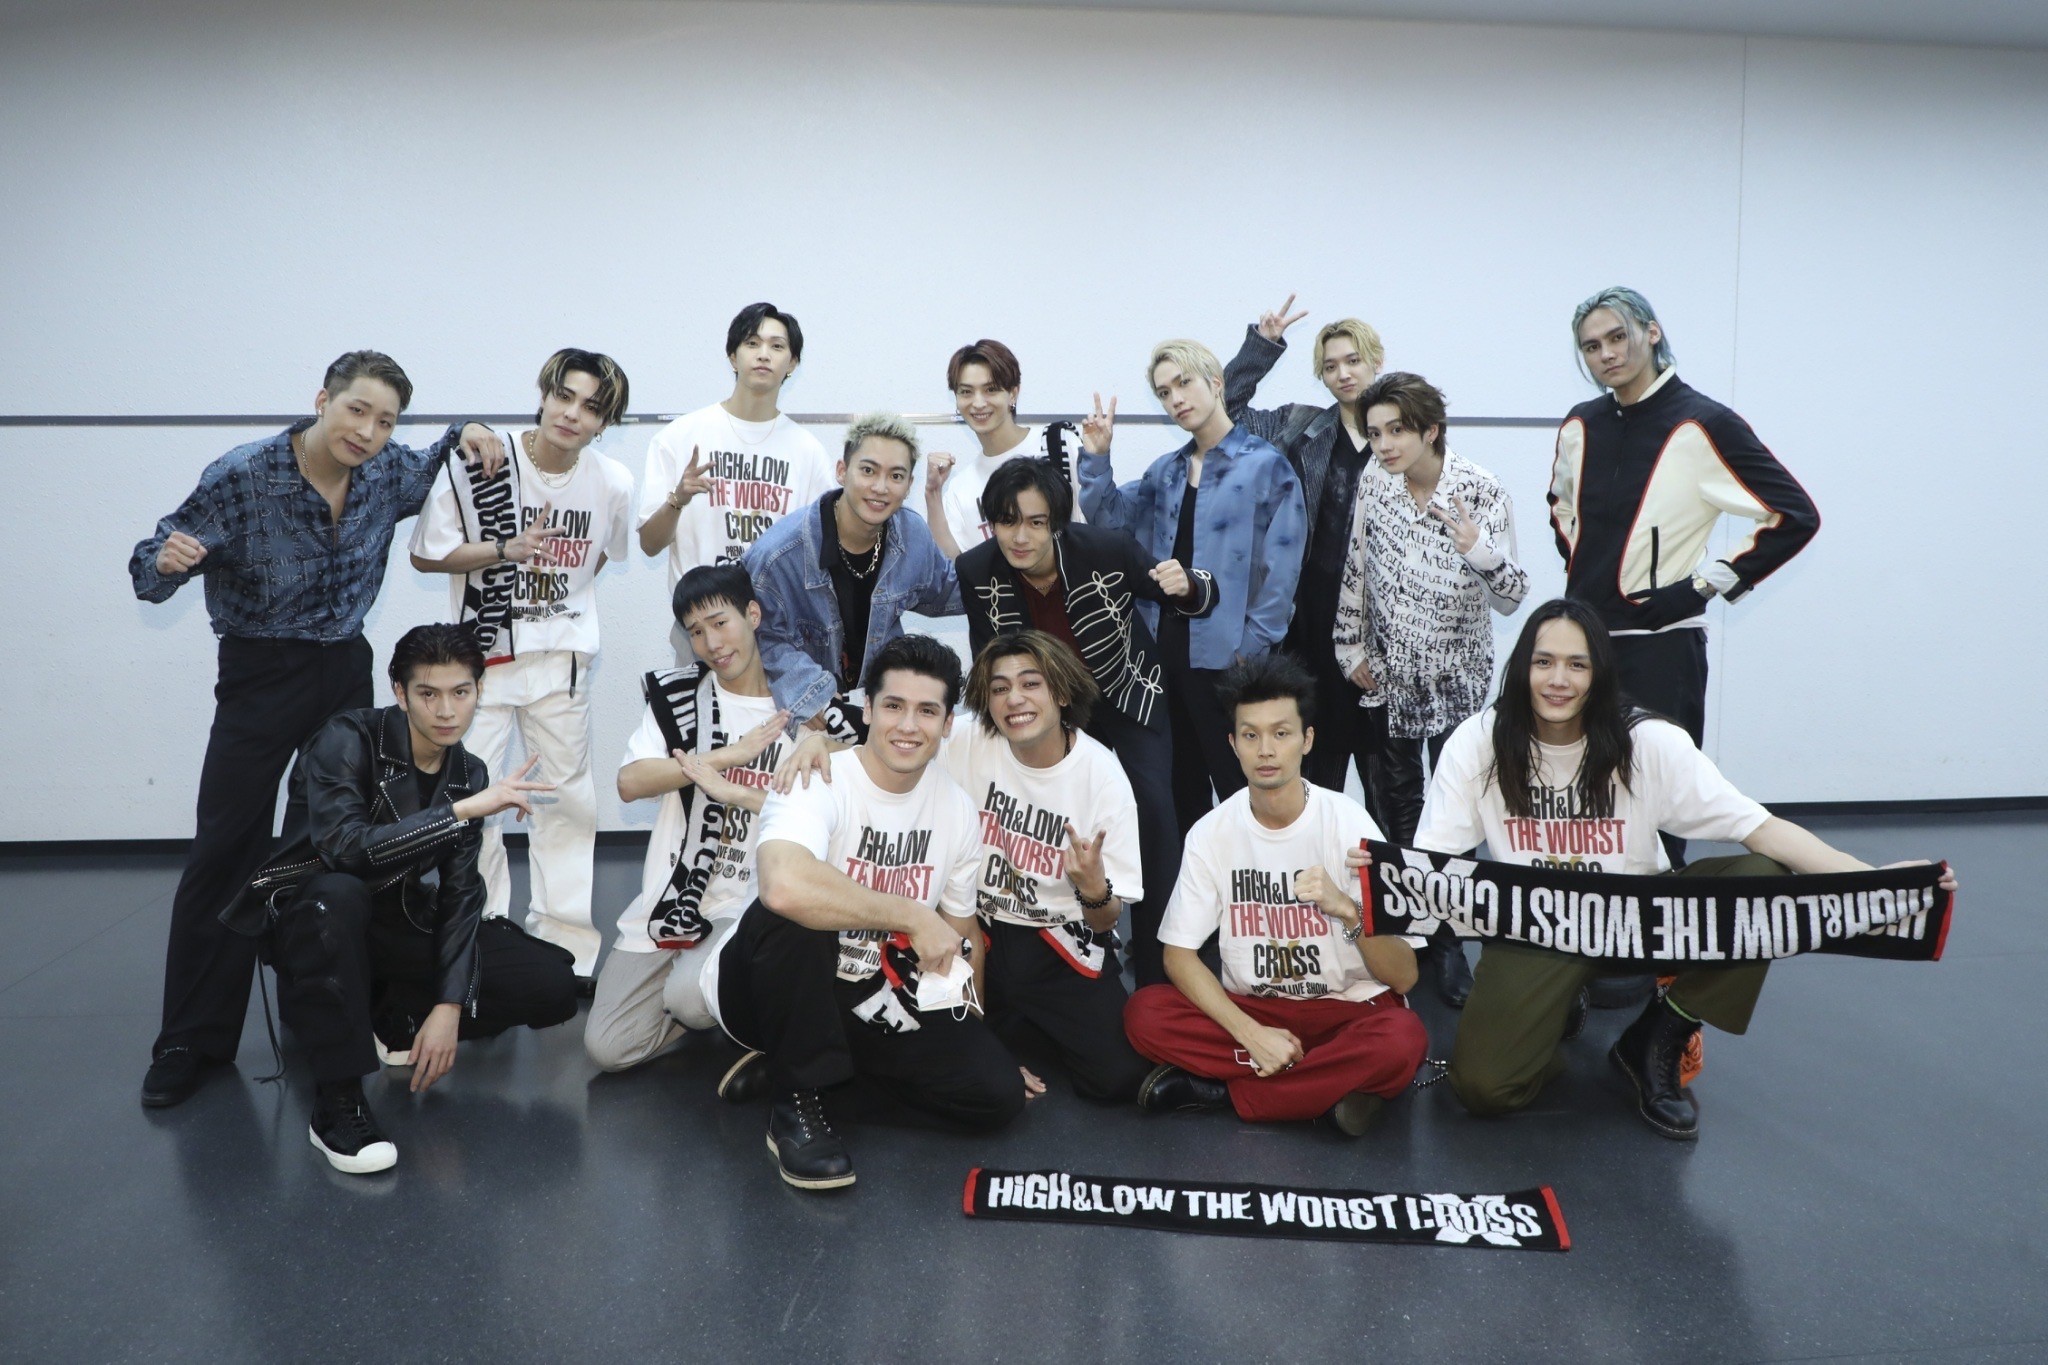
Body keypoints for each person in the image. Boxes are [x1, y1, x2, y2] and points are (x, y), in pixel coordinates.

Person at [1412, 598, 1957, 1140]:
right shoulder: (1479, 742)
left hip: (1641, 919)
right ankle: (1550, 1018)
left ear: (1600, 673)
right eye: (1543, 661)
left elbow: (1762, 829)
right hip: (1539, 926)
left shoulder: (1648, 741)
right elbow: (1431, 865)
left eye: (1577, 664)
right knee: (1483, 1089)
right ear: (1521, 667)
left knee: (1762, 880)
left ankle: (1658, 1035)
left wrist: (1878, 881)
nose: (1559, 680)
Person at [129, 350, 504, 1109]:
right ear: (323, 399)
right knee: (227, 849)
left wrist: (470, 427)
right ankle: (191, 1039)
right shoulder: (243, 474)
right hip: (260, 671)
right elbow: (149, 563)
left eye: (385, 421)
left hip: (344, 669)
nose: (367, 431)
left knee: (333, 848)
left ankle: (324, 1008)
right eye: (356, 410)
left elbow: (439, 455)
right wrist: (165, 562)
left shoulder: (387, 471)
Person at [219, 625, 578, 1173]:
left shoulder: (469, 772)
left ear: (478, 691)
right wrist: (458, 812)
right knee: (338, 896)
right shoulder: (347, 738)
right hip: (316, 917)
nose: (446, 711)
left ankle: (393, 1013)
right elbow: (345, 850)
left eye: (461, 692)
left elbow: (461, 894)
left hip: (397, 918)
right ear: (400, 692)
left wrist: (448, 1007)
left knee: (551, 985)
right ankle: (337, 1101)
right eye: (428, 694)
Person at [704, 635, 1027, 1190]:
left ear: (947, 724)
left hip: (870, 992)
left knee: (996, 1095)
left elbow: (961, 932)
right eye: (894, 706)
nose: (909, 726)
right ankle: (796, 1106)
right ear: (869, 709)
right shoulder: (816, 776)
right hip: (763, 986)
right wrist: (911, 915)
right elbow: (782, 886)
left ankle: (798, 1072)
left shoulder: (955, 810)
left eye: (927, 711)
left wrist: (978, 1038)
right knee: (799, 913)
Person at [1550, 287, 1820, 848]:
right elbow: (1560, 504)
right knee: (1579, 809)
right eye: (1591, 346)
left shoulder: (1704, 422)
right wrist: (1584, 567)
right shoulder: (1580, 424)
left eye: (1618, 336)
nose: (1606, 354)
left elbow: (1794, 515)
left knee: (1659, 810)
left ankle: (1660, 906)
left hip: (1661, 649)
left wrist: (1698, 588)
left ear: (1652, 333)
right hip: (1582, 647)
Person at [1123, 653, 1428, 1137]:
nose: (1266, 750)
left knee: (1403, 1039)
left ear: (1307, 740)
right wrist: (1251, 1033)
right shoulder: (1211, 833)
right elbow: (1178, 956)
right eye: (1251, 736)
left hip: (1346, 1010)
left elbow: (1405, 976)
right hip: (1255, 1009)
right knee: (1145, 1014)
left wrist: (1348, 911)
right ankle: (1323, 1090)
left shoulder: (1350, 823)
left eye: (1281, 733)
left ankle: (1224, 1093)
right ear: (1233, 745)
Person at [409, 348, 636, 984]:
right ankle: (480, 941)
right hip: (479, 660)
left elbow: (600, 557)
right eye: (564, 396)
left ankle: (567, 949)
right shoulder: (485, 459)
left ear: (605, 422)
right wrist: (506, 550)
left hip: (561, 662)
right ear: (544, 393)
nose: (572, 414)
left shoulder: (613, 481)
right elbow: (426, 555)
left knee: (567, 803)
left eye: (591, 407)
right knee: (475, 802)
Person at [582, 564, 853, 1073]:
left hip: (749, 897)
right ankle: (725, 1009)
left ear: (752, 614)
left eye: (720, 623)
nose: (711, 643)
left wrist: (751, 784)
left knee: (688, 999)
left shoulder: (804, 703)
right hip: (674, 899)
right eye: (696, 632)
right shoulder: (680, 695)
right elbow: (630, 782)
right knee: (608, 1048)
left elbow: (850, 795)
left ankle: (744, 1018)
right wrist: (731, 754)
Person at [953, 459, 1212, 985]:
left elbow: (1189, 595)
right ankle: (1083, 937)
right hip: (1053, 711)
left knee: (1153, 811)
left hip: (1126, 690)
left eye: (1035, 522)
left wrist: (1188, 584)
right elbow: (990, 656)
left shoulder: (1106, 549)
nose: (1020, 537)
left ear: (1057, 521)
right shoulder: (976, 569)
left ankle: (1164, 963)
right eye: (1007, 521)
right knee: (1062, 817)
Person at [1333, 372, 1528, 1007]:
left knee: (1455, 817)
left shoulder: (1481, 489)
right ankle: (1417, 937)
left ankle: (1452, 946)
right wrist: (1348, 647)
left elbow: (1512, 598)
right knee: (1399, 812)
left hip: (1457, 682)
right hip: (1390, 680)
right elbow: (1357, 564)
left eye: (1397, 431)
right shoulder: (1375, 480)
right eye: (1374, 433)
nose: (1384, 445)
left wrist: (1479, 550)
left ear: (1431, 430)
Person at [1077, 340, 1307, 835]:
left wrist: (1251, 648)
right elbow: (1111, 523)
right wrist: (1096, 457)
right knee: (1182, 796)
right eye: (1164, 392)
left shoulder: (1266, 465)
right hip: (1165, 660)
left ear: (1216, 383)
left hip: (1232, 662)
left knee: (1242, 792)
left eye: (1184, 383)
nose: (1175, 398)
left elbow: (1284, 568)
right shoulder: (1165, 471)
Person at [1222, 295, 1391, 802]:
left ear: (1376, 361)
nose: (1343, 374)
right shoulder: (1301, 425)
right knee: (1315, 788)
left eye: (1353, 360)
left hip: (1381, 638)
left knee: (1391, 791)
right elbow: (1225, 412)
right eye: (1331, 366)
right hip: (1309, 630)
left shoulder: (1402, 438)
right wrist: (1263, 345)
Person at [743, 412, 961, 733]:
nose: (880, 487)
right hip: (801, 717)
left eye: (896, 476)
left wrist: (1021, 564)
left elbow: (950, 590)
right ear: (842, 471)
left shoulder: (910, 533)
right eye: (868, 470)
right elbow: (756, 636)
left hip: (875, 714)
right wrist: (811, 692)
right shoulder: (778, 555)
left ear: (908, 486)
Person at [635, 301, 835, 607]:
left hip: (777, 619)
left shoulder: (808, 451)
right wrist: (678, 499)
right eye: (752, 343)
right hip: (700, 618)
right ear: (733, 357)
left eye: (777, 346)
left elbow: (822, 552)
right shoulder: (680, 436)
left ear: (792, 363)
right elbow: (649, 545)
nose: (763, 354)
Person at [922, 338, 1086, 557]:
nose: (978, 403)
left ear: (1013, 393)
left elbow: (1092, 524)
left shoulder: (1059, 443)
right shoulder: (960, 490)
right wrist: (932, 493)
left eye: (991, 389)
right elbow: (952, 562)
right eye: (966, 392)